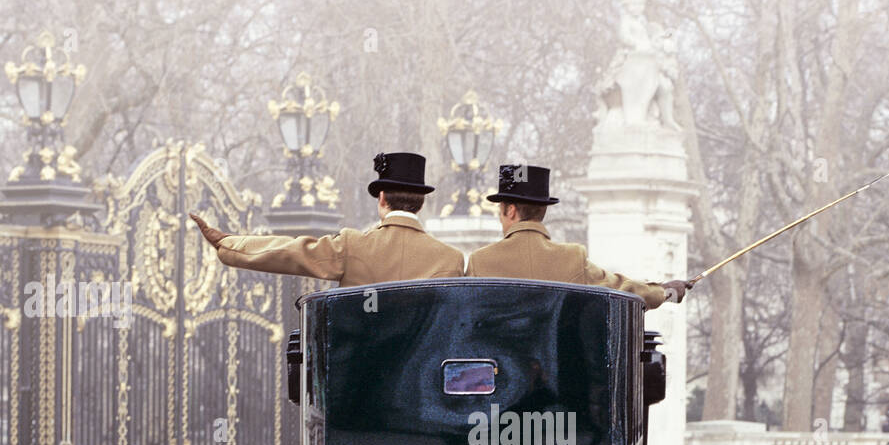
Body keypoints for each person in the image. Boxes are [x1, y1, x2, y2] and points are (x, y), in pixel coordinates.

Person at [190, 152, 463, 285]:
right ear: (421, 202)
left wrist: (228, 243)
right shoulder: (450, 260)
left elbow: (290, 251)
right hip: (426, 385)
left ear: (381, 199)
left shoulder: (353, 245)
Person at [465, 164, 691, 307]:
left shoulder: (480, 261)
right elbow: (625, 290)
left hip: (501, 374)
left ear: (510, 210)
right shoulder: (572, 257)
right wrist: (666, 291)